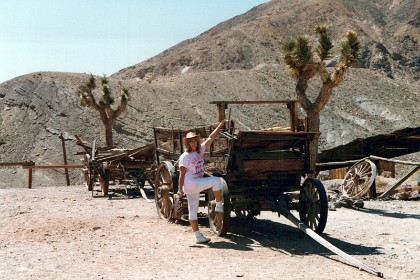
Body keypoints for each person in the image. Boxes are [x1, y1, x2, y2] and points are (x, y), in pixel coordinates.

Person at [177, 120, 226, 244]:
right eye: (190, 141)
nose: (193, 143)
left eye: (194, 140)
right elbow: (181, 174)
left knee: (192, 211)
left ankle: (198, 236)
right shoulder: (185, 156)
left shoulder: (200, 150)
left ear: (196, 141)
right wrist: (179, 189)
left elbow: (210, 138)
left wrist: (220, 126)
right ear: (187, 143)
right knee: (216, 181)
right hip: (191, 183)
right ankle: (219, 205)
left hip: (193, 185)